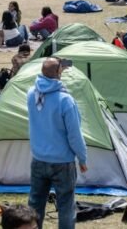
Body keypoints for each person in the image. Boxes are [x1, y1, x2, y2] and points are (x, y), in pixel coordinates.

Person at [27, 57, 87, 229]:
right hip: (62, 162)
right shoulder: (65, 100)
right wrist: (82, 158)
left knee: (35, 203)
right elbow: (74, 135)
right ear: (59, 72)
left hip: (38, 158)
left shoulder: (32, 93)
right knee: (66, 205)